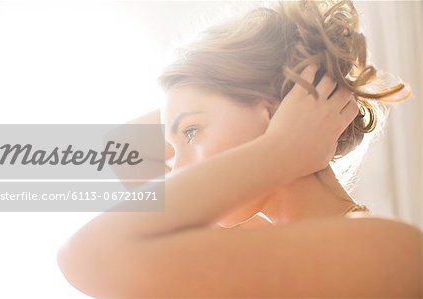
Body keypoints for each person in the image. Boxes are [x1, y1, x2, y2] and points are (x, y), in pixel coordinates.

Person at [57, 1, 422, 297]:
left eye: (192, 132)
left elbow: (86, 255)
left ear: (275, 110)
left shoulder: (385, 251)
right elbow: (120, 150)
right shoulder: (247, 243)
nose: (175, 167)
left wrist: (280, 149)